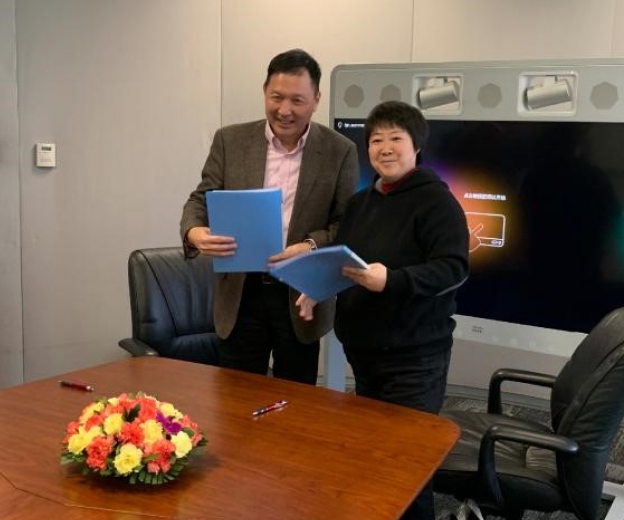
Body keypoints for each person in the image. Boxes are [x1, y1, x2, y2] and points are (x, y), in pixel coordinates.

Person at [296, 101, 470, 520]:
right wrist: (316, 288)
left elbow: (453, 269)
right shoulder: (361, 203)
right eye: (376, 140)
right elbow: (346, 263)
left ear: (416, 146)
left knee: (406, 466)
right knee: (374, 458)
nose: (385, 148)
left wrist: (392, 280)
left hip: (414, 359)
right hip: (365, 354)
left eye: (396, 138)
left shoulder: (437, 202)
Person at [180, 49, 359, 385]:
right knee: (236, 396)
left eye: (297, 100)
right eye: (276, 97)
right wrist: (195, 231)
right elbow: (200, 199)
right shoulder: (230, 140)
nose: (284, 110)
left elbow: (347, 224)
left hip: (300, 291)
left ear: (316, 100)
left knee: (296, 398)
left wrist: (309, 245)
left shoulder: (340, 151)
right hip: (241, 292)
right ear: (264, 91)